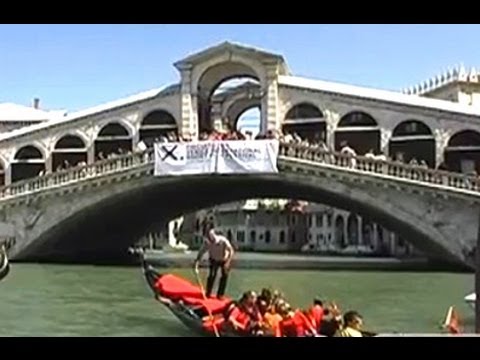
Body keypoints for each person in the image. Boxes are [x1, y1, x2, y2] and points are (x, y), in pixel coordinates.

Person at [193, 222, 235, 299]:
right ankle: (208, 293)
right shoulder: (207, 243)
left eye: (210, 236)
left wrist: (228, 261)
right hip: (214, 260)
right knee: (212, 275)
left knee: (224, 275)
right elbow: (201, 252)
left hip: (224, 259)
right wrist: (197, 261)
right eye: (208, 237)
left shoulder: (223, 240)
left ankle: (220, 295)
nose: (209, 239)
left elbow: (231, 250)